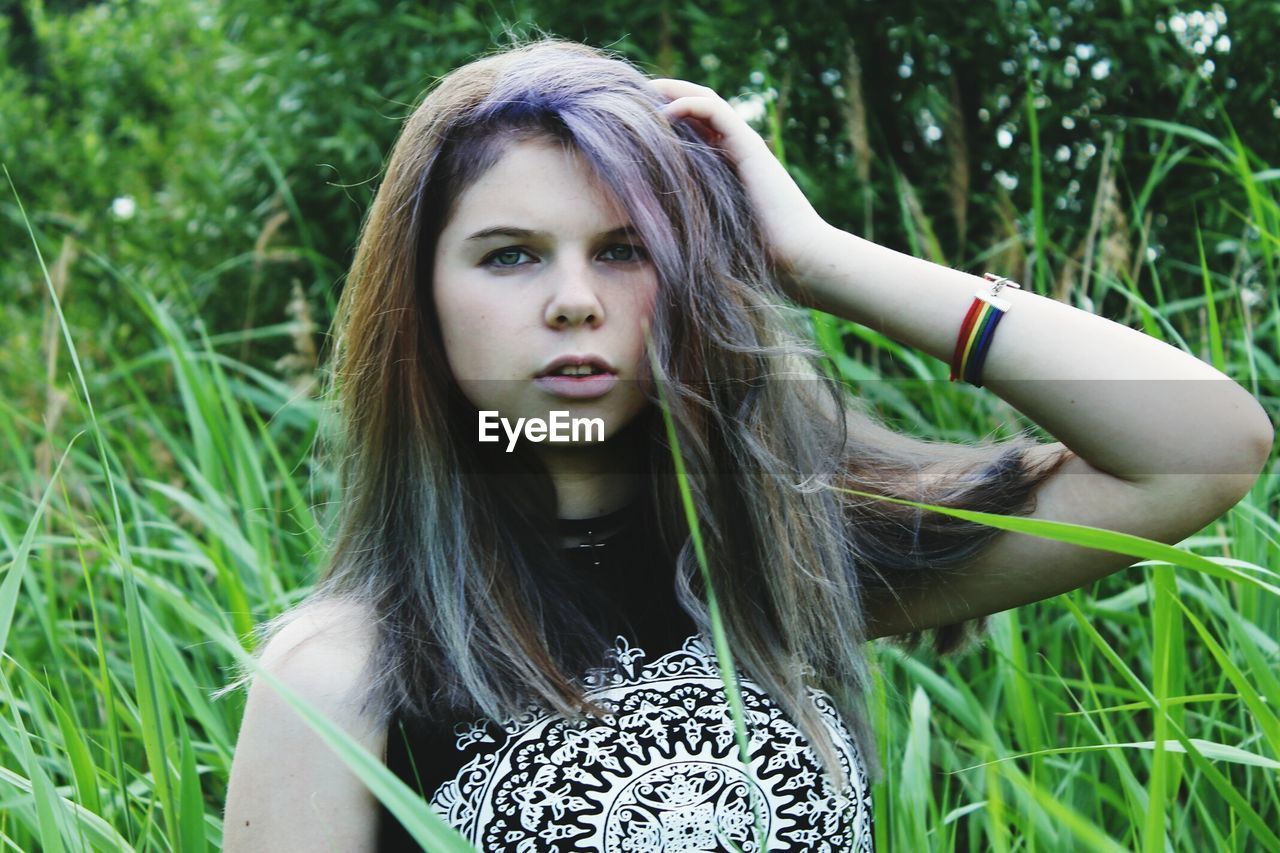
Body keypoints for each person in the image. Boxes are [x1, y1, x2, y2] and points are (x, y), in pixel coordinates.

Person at [220, 36, 1273, 852]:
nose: (575, 301)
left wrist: (815, 257)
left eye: (626, 249)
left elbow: (1205, 446)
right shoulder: (344, 670)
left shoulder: (793, 562)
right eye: (509, 256)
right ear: (421, 301)